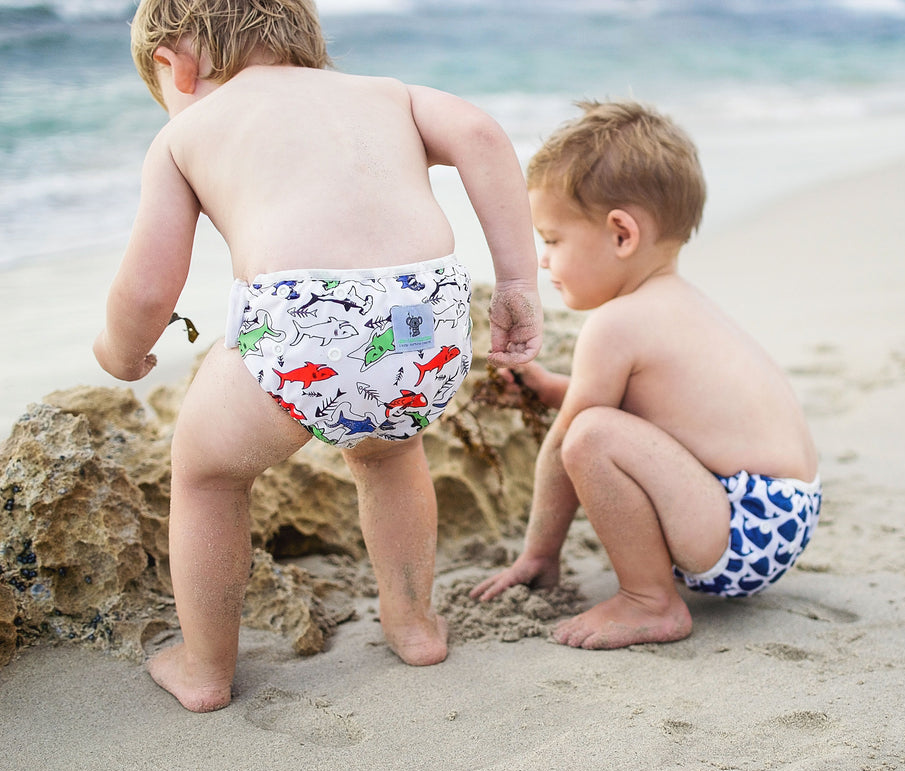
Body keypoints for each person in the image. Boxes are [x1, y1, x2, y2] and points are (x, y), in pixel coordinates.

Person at [93, 0, 542, 712]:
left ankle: (205, 669)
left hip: (307, 319)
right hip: (425, 316)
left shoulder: (187, 136)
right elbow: (483, 135)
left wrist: (120, 352)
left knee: (207, 474)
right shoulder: (387, 95)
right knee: (389, 453)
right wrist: (516, 281)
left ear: (171, 65)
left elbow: (150, 288)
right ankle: (415, 625)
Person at [470, 100, 821, 649]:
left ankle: (649, 601)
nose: (542, 260)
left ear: (621, 235)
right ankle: (650, 593)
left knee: (589, 436)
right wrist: (556, 388)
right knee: (595, 424)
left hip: (743, 525)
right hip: (780, 515)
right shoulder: (681, 304)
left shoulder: (616, 325)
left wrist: (540, 552)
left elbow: (574, 436)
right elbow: (663, 415)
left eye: (553, 240)